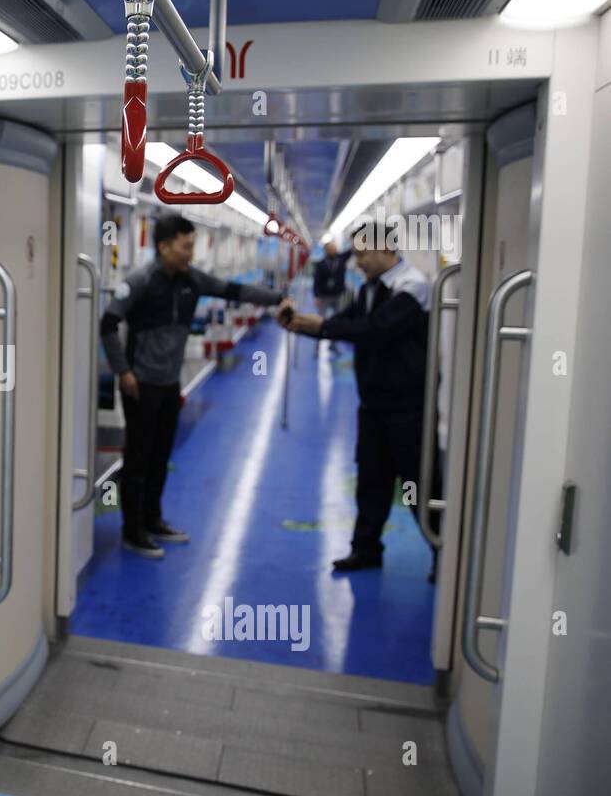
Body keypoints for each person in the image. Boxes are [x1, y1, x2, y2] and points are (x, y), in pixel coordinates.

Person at [101, 213, 285, 559]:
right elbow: (108, 324)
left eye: (192, 246)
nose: (191, 253)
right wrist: (123, 372)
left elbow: (233, 290)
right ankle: (132, 530)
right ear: (164, 246)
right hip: (141, 384)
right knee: (138, 459)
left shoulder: (192, 280)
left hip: (170, 384)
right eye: (186, 246)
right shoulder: (140, 281)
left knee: (160, 456)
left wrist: (276, 299)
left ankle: (153, 520)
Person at [276, 220, 441, 576]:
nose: (358, 261)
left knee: (417, 482)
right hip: (374, 403)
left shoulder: (412, 288)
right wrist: (302, 324)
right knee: (371, 478)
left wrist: (319, 326)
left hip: (408, 407)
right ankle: (365, 549)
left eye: (364, 253)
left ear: (386, 249)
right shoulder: (369, 288)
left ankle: (442, 550)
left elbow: (376, 330)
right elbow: (346, 321)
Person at [311, 238, 352, 355]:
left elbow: (351, 251)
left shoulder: (341, 258)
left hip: (337, 296)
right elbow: (316, 281)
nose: (336, 249)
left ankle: (333, 345)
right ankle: (317, 348)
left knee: (336, 322)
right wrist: (316, 296)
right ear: (327, 250)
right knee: (320, 322)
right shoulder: (321, 264)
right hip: (323, 296)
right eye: (333, 247)